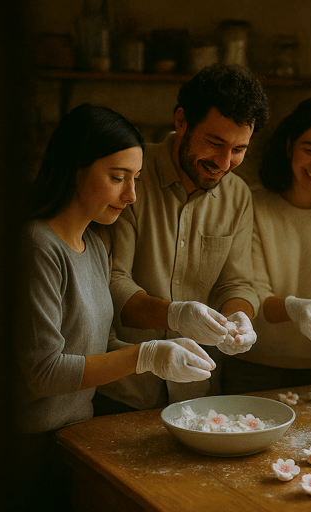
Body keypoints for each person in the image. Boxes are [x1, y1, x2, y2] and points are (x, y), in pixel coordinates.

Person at [15, 104, 215, 509]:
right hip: (26, 449)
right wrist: (145, 355)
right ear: (75, 168)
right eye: (117, 178)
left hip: (75, 436)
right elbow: (43, 372)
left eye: (136, 179)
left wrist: (168, 352)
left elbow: (99, 345)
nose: (131, 195)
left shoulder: (95, 248)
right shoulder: (37, 245)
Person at [93, 64, 270, 411]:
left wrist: (241, 318)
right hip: (121, 389)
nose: (224, 162)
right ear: (181, 121)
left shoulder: (238, 195)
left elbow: (237, 283)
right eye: (215, 143)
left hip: (195, 393)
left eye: (239, 149)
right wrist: (174, 315)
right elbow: (110, 283)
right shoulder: (130, 178)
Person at [221, 97, 311, 394]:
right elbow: (254, 295)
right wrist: (296, 309)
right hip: (254, 366)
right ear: (289, 147)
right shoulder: (253, 205)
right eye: (310, 149)